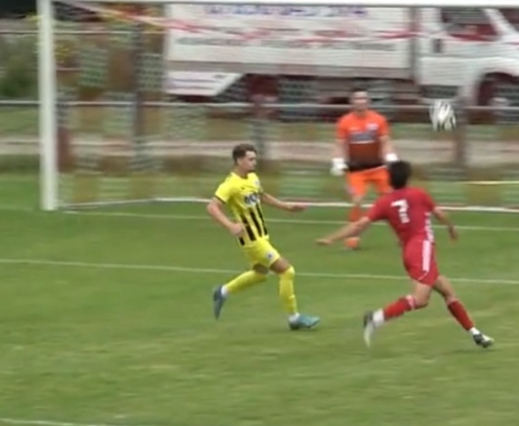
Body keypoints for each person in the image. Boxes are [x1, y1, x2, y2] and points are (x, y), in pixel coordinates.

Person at [317, 160, 494, 348]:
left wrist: (332, 238)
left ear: (389, 180)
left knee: (448, 292)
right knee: (420, 299)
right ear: (408, 177)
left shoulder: (384, 202)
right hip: (422, 249)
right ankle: (376, 318)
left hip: (411, 252)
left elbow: (359, 225)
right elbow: (440, 214)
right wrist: (451, 228)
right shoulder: (419, 194)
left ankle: (475, 334)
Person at [207, 143, 320, 331]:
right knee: (286, 271)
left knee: (259, 274)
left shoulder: (252, 178)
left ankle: (222, 291)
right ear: (239, 160)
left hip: (261, 235)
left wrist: (287, 207)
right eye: (250, 159)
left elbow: (262, 196)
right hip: (251, 239)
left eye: (255, 159)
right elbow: (212, 207)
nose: (254, 163)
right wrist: (230, 225)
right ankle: (294, 318)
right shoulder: (230, 184)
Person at [332, 87, 398, 250]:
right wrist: (338, 161)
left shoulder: (379, 120)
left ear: (368, 101)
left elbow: (385, 141)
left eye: (363, 98)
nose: (360, 101)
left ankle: (403, 236)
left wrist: (390, 156)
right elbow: (340, 144)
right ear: (352, 102)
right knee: (357, 202)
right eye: (357, 98)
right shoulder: (344, 122)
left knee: (391, 203)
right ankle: (352, 240)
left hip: (378, 168)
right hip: (356, 170)